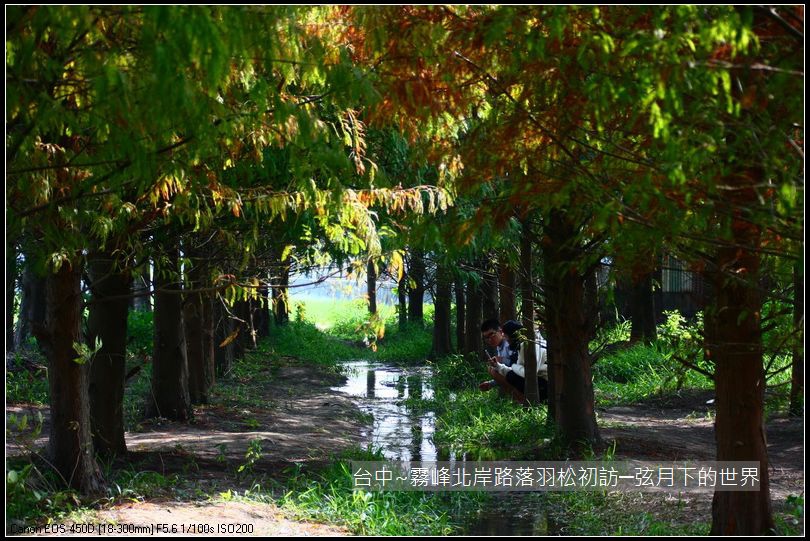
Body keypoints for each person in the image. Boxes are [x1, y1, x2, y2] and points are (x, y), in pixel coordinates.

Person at [488, 320, 549, 405]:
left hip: (545, 386)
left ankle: (527, 401)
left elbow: (526, 373)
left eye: (506, 336)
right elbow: (520, 370)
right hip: (542, 383)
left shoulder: (528, 344)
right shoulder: (522, 345)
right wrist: (498, 366)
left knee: (511, 376)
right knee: (505, 372)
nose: (505, 339)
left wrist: (513, 366)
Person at [478, 319, 512, 391]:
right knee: (492, 368)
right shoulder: (499, 347)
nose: (490, 339)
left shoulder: (509, 343)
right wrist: (490, 384)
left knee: (493, 370)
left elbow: (518, 365)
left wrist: (502, 360)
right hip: (516, 377)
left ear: (500, 331)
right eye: (486, 337)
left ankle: (519, 397)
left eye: (491, 335)